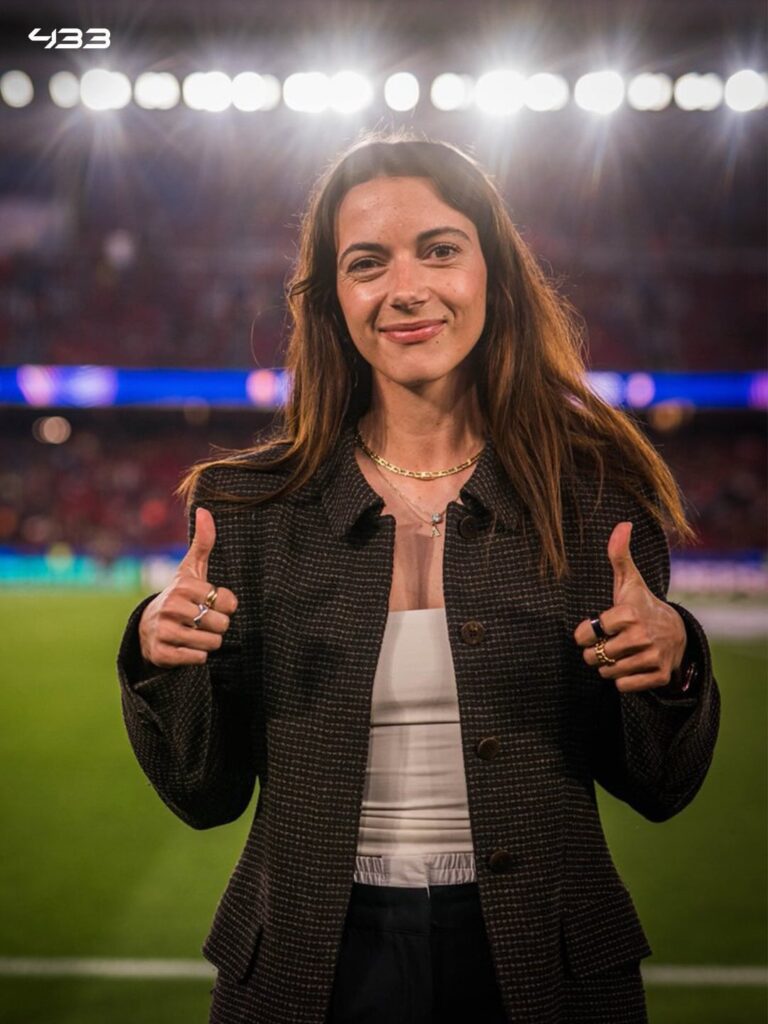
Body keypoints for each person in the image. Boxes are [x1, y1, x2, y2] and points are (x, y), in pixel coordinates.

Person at [117, 133, 720, 1024]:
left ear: (494, 275)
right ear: (333, 300)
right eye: (368, 263)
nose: (407, 289)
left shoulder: (597, 500)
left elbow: (661, 787)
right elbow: (203, 795)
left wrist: (673, 662)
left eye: (440, 249)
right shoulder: (246, 507)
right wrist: (153, 651)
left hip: (546, 969)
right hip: (305, 970)